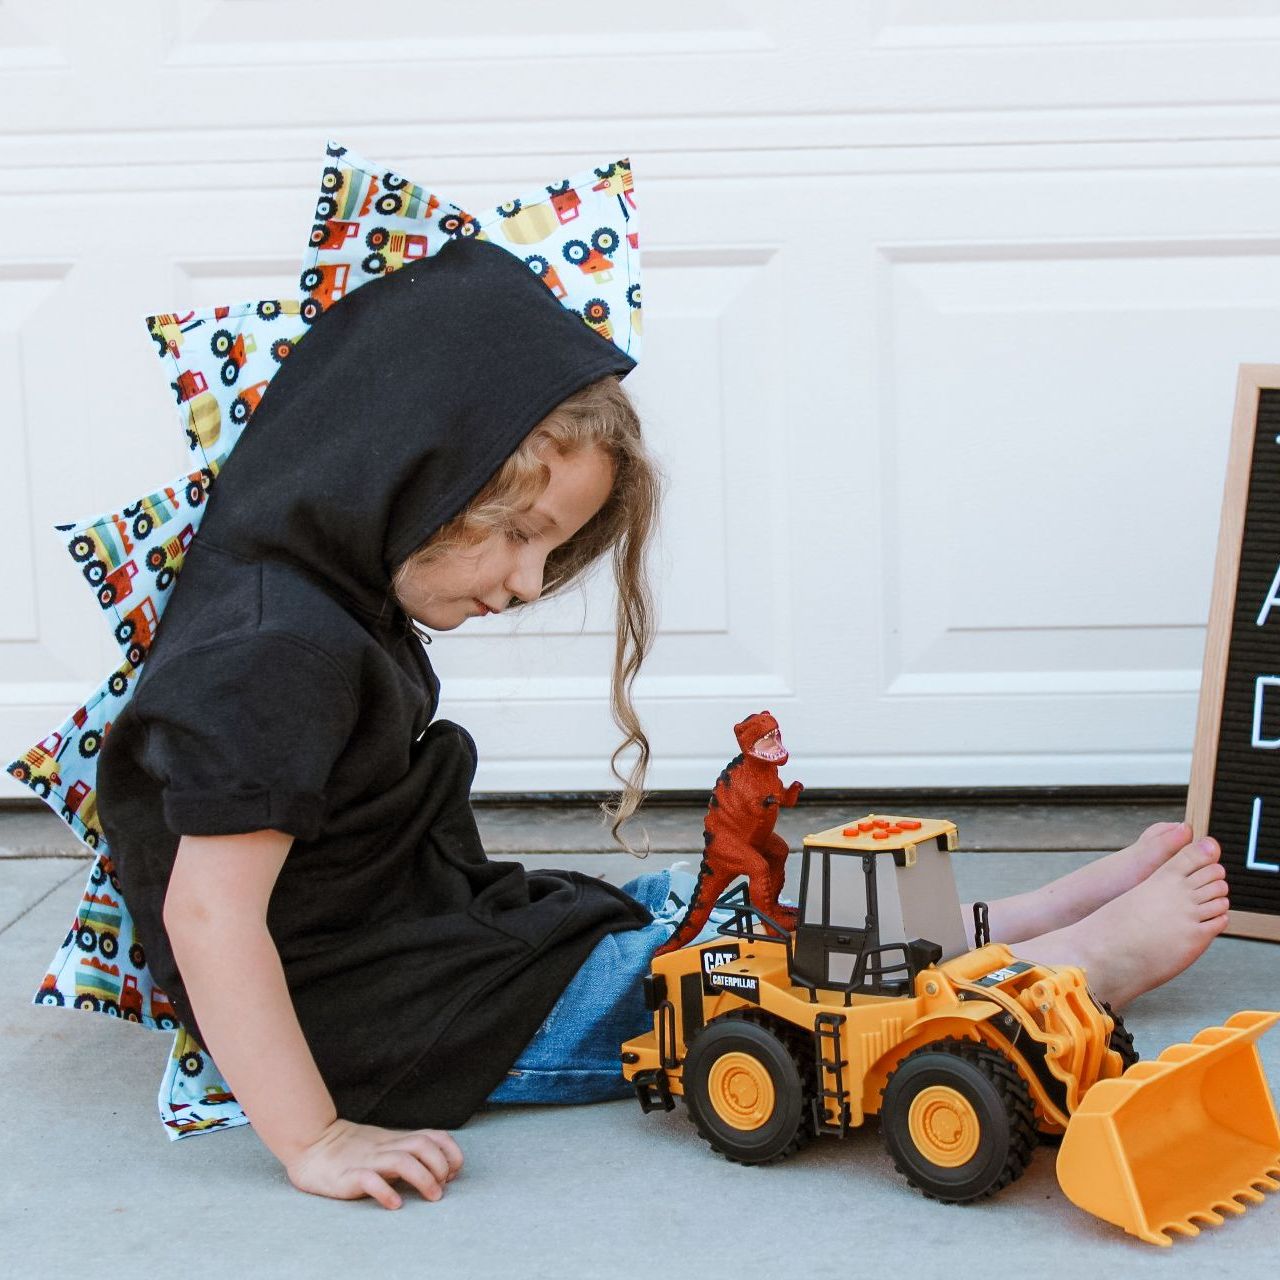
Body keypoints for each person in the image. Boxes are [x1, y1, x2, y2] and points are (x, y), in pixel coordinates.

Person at [95, 234, 1230, 1216]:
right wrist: (312, 1135)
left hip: (436, 948)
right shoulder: (273, 652)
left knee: (696, 911)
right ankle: (1063, 967)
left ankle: (1004, 919)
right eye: (517, 532)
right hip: (409, 1028)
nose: (529, 579)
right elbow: (209, 910)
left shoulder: (316, 603)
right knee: (728, 975)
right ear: (405, 469)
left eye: (553, 548)